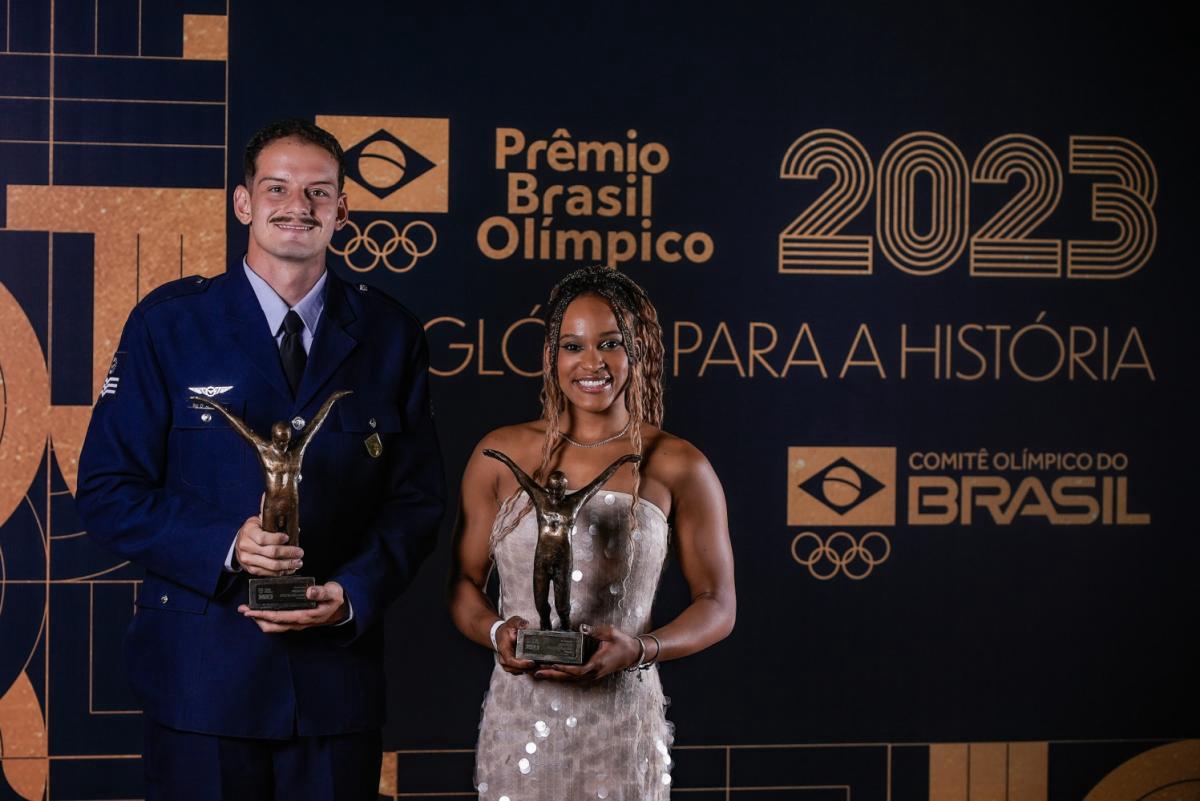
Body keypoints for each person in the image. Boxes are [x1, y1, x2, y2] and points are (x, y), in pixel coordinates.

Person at [75, 118, 445, 800]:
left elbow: (415, 503)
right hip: (202, 684)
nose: (296, 207)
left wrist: (351, 596)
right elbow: (105, 489)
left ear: (342, 209)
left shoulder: (390, 334)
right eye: (276, 187)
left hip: (335, 686)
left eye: (317, 192)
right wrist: (225, 544)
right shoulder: (169, 324)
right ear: (243, 202)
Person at [448, 266, 736, 800]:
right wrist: (496, 633)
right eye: (572, 345)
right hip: (520, 727)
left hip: (621, 728)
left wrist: (641, 648)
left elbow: (718, 605)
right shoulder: (500, 455)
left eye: (610, 343)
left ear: (639, 351)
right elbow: (463, 584)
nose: (592, 363)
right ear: (551, 357)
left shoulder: (678, 464)